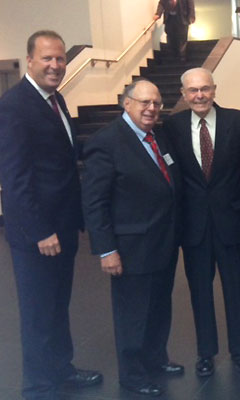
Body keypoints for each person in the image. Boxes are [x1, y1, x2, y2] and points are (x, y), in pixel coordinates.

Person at [0, 30, 103, 400]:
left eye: (60, 58)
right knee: (38, 312)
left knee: (57, 306)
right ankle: (39, 387)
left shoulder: (55, 99)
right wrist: (40, 230)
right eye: (47, 58)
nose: (56, 65)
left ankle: (61, 368)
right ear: (29, 60)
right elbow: (14, 179)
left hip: (62, 228)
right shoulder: (15, 105)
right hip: (38, 234)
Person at [81, 79, 183, 397]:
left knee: (159, 306)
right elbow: (94, 201)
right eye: (144, 102)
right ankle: (132, 374)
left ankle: (155, 358)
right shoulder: (106, 141)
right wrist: (106, 250)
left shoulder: (157, 136)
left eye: (156, 103)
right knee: (133, 313)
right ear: (126, 103)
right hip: (130, 247)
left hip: (163, 241)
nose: (151, 108)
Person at [163, 67, 240, 377]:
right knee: (199, 293)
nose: (200, 95)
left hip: (231, 222)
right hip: (193, 226)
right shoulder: (172, 126)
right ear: (184, 94)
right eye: (193, 90)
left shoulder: (238, 121)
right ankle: (205, 354)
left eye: (205, 89)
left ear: (214, 89)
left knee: (236, 289)